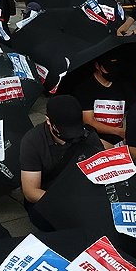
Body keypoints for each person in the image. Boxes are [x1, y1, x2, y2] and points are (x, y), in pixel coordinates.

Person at [19, 95, 105, 230]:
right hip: (50, 195)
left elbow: (101, 164)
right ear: (49, 121)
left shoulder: (86, 134)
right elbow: (30, 191)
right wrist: (67, 202)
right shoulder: (32, 141)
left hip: (81, 189)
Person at [70, 57, 128, 145]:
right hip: (95, 140)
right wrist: (118, 131)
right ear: (97, 66)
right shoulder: (84, 88)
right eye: (108, 69)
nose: (112, 72)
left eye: (115, 68)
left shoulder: (123, 85)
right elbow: (88, 121)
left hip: (120, 140)